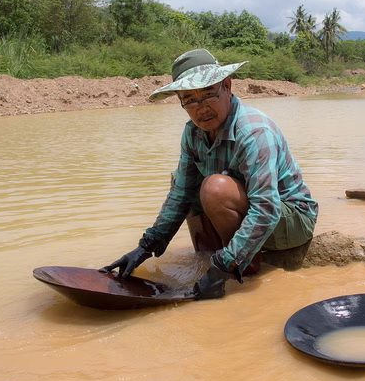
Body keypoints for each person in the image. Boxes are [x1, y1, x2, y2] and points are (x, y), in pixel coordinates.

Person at [101, 49, 318, 299]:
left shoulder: (254, 132)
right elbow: (180, 193)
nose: (201, 109)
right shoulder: (192, 133)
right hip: (252, 208)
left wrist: (223, 267)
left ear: (226, 86)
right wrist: (146, 247)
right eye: (190, 100)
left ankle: (241, 266)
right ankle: (211, 260)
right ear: (180, 101)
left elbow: (266, 208)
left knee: (214, 188)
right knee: (186, 187)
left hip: (291, 218)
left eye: (208, 95)